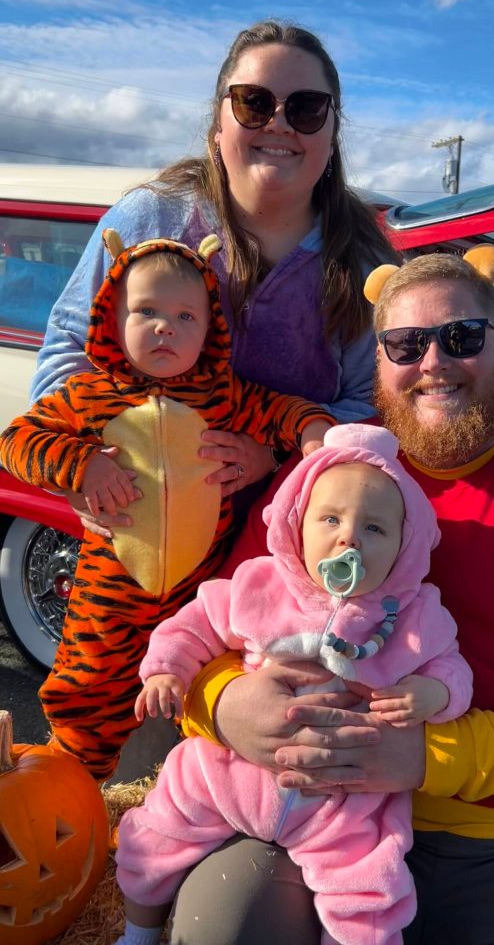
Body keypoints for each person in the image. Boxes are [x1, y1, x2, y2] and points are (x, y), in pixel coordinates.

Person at [170, 251, 494, 945]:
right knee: (220, 928)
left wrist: (431, 757)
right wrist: (227, 705)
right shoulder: (327, 483)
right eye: (405, 344)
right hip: (317, 810)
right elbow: (215, 625)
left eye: (462, 337)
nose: (433, 361)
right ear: (379, 363)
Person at [112, 423, 473, 945]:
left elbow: (454, 669)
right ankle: (137, 933)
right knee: (154, 836)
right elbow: (195, 625)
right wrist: (167, 669)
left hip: (342, 801)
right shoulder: (261, 584)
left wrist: (434, 695)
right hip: (226, 775)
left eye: (374, 529)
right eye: (330, 519)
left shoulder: (415, 617)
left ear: (405, 548)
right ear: (296, 526)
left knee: (369, 889)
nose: (348, 537)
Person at [0, 230, 332, 782]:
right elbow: (16, 441)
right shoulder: (87, 394)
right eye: (146, 311)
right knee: (85, 691)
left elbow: (281, 411)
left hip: (196, 593)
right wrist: (80, 465)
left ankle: (188, 792)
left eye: (185, 317)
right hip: (108, 594)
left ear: (210, 330)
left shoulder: (225, 394)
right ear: (113, 319)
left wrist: (312, 429)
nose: (164, 327)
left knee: (201, 689)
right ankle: (74, 791)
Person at [30, 19, 400, 512]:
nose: (280, 123)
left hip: (298, 539)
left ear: (333, 132)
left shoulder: (365, 261)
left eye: (307, 108)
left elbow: (373, 405)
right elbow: (71, 348)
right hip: (149, 524)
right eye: (254, 101)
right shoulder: (149, 219)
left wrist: (274, 453)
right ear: (217, 123)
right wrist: (84, 467)